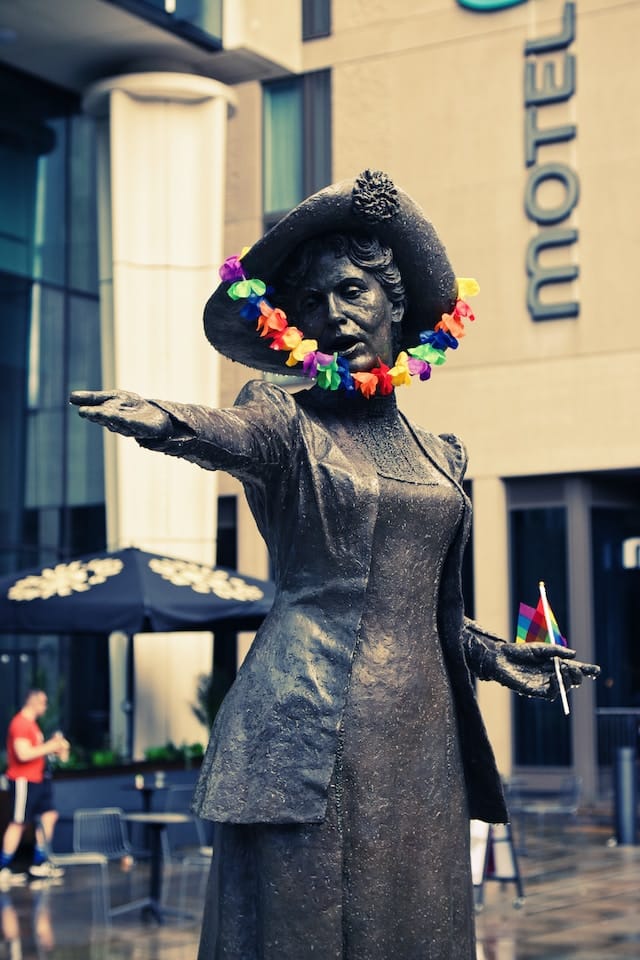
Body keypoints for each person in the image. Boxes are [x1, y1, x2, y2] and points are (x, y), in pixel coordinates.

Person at [70, 170, 599, 959]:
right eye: (312, 305)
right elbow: (233, 433)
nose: (333, 316)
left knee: (419, 925)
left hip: (421, 737)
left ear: (396, 305)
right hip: (310, 727)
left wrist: (491, 653)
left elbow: (424, 604)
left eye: (351, 291)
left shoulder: (441, 453)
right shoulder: (283, 417)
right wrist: (166, 419)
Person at [0, 690, 69, 888]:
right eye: (44, 703)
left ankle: (39, 862)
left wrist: (57, 748)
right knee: (19, 822)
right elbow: (23, 754)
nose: (46, 707)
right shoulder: (20, 723)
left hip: (39, 779)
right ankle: (2, 867)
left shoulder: (33, 726)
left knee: (49, 816)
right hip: (23, 781)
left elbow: (39, 753)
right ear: (35, 702)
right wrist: (50, 746)